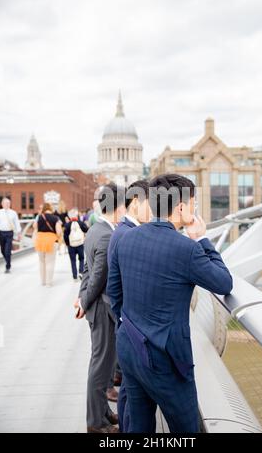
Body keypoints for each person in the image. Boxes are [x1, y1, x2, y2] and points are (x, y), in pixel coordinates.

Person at [107, 174, 233, 433]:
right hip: (167, 361)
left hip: (130, 347)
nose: (195, 209)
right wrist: (201, 239)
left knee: (138, 425)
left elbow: (115, 294)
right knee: (186, 429)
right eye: (194, 204)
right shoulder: (187, 249)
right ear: (181, 208)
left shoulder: (125, 238)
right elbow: (223, 283)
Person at [74, 183, 126, 434]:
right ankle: (96, 422)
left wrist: (81, 297)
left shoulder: (95, 229)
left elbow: (86, 270)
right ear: (117, 208)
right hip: (103, 310)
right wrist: (84, 300)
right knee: (100, 367)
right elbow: (97, 277)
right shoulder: (106, 235)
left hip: (96, 307)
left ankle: (103, 413)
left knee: (103, 365)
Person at [107, 179, 151, 432]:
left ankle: (123, 428)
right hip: (131, 327)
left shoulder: (122, 230)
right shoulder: (126, 234)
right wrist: (126, 321)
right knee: (132, 395)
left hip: (127, 325)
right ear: (135, 202)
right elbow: (115, 288)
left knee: (127, 388)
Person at [34, 203, 62, 287]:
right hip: (51, 241)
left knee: (41, 262)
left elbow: (34, 226)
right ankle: (48, 283)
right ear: (50, 208)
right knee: (50, 262)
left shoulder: (39, 217)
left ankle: (43, 281)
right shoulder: (55, 218)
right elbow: (59, 231)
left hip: (40, 241)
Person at [0, 198, 22, 273]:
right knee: (2, 250)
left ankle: (8, 266)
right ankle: (8, 259)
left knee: (7, 250)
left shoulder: (13, 213)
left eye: (8, 203)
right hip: (1, 233)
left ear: (10, 204)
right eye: (5, 203)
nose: (7, 205)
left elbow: (17, 223)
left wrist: (19, 233)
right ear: (2, 204)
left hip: (9, 233)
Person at [63, 208, 88, 281]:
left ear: (70, 216)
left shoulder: (67, 225)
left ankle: (74, 276)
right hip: (80, 244)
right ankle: (81, 272)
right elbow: (86, 229)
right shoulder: (80, 223)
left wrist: (68, 243)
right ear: (77, 215)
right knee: (81, 259)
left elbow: (65, 236)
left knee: (73, 260)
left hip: (71, 245)